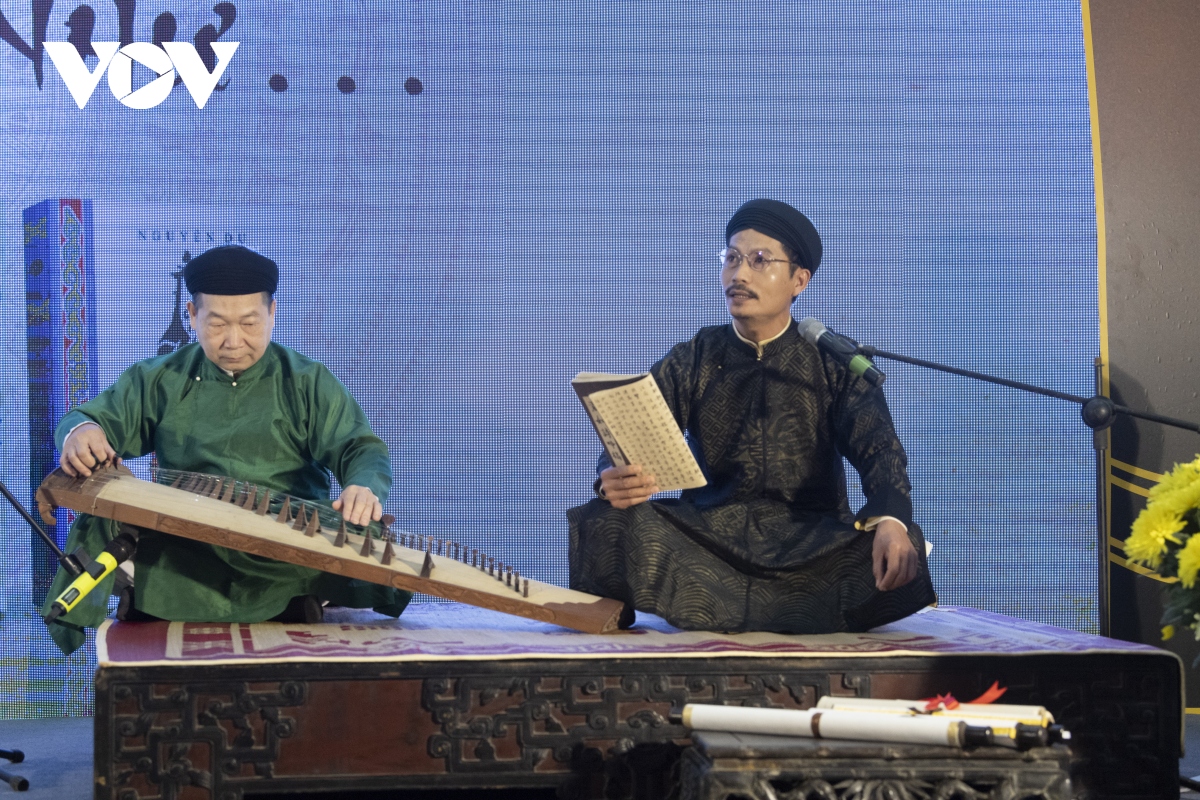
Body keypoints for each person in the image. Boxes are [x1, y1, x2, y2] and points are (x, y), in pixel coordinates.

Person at [568, 199, 937, 633]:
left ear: (800, 280)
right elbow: (629, 440)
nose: (739, 274)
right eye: (731, 259)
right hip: (708, 539)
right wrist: (613, 474)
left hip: (810, 543)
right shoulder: (697, 355)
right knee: (606, 517)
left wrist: (890, 520)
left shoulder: (833, 360)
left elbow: (881, 452)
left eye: (759, 261)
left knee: (900, 535)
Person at [43, 245, 410, 655]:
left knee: (360, 529)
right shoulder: (162, 377)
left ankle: (297, 600)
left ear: (272, 313)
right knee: (103, 516)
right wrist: (82, 430)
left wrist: (363, 486)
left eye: (250, 323)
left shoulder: (306, 381)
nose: (234, 341)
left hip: (282, 545)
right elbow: (95, 419)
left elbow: (359, 447)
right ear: (192, 314)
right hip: (187, 546)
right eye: (216, 323)